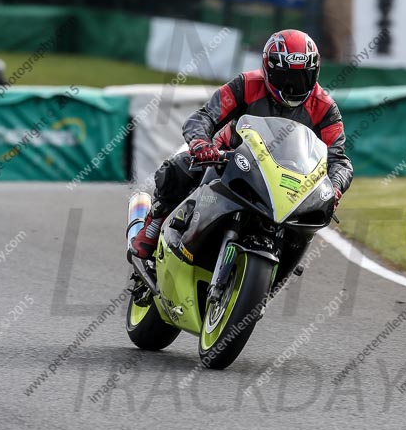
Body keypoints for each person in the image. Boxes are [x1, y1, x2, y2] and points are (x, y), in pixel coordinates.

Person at [129, 29, 354, 260]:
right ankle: (154, 221)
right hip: (234, 157)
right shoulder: (246, 84)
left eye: (301, 77)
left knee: (308, 219)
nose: (293, 86)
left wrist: (334, 188)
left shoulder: (325, 108)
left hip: (289, 176)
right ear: (268, 68)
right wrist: (200, 144)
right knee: (182, 165)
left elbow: (338, 159)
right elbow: (205, 116)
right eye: (285, 77)